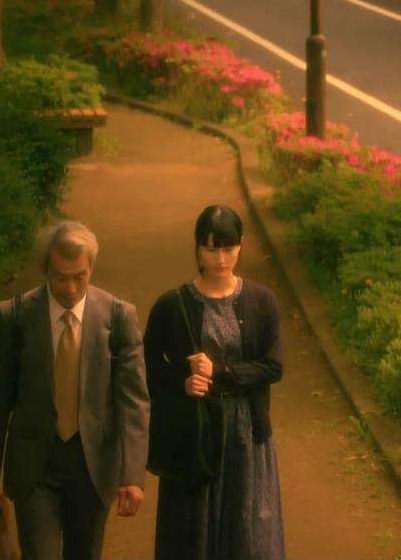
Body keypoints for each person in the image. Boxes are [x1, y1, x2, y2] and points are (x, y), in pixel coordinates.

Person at [0, 220, 150, 560]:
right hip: (34, 465)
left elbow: (134, 402)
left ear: (91, 269)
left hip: (92, 465)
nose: (70, 288)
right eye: (60, 277)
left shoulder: (118, 318)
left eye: (79, 277)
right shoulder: (15, 317)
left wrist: (132, 475)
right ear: (45, 270)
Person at [144, 204, 286, 560]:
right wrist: (182, 383)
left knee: (248, 531)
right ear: (197, 248)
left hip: (247, 434)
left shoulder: (262, 301)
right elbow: (145, 367)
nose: (220, 259)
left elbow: (273, 366)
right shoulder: (172, 305)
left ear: (241, 244)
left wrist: (219, 371)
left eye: (228, 248)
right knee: (192, 532)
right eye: (210, 249)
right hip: (196, 433)